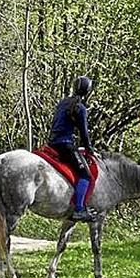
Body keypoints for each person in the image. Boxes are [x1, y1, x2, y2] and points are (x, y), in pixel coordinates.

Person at [48, 75, 97, 221]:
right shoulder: (80, 108)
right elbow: (84, 133)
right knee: (85, 175)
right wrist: (89, 149)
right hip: (65, 145)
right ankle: (79, 210)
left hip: (52, 143)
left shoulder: (63, 102)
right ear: (87, 91)